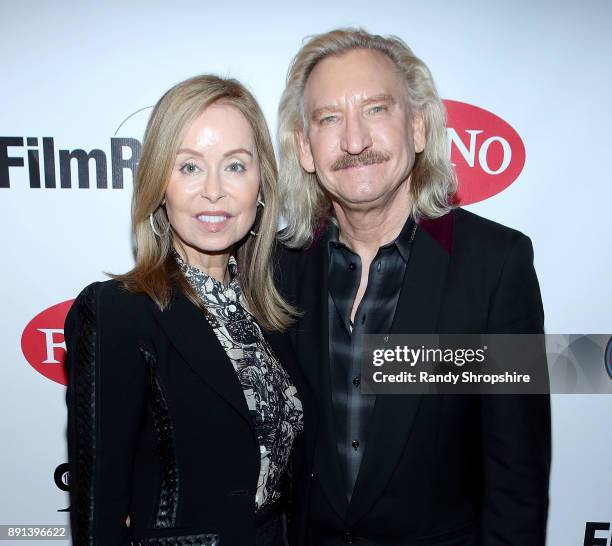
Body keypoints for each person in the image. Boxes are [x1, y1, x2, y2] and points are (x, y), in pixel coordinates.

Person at [276, 28, 551, 545]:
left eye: (376, 110)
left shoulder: (495, 266)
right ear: (305, 149)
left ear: (419, 128)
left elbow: (517, 479)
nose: (354, 141)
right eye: (329, 119)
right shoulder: (280, 270)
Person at [65, 74, 311, 546]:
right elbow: (100, 514)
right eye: (189, 168)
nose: (214, 191)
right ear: (160, 184)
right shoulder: (118, 313)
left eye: (235, 166)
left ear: (261, 182)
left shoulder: (272, 310)